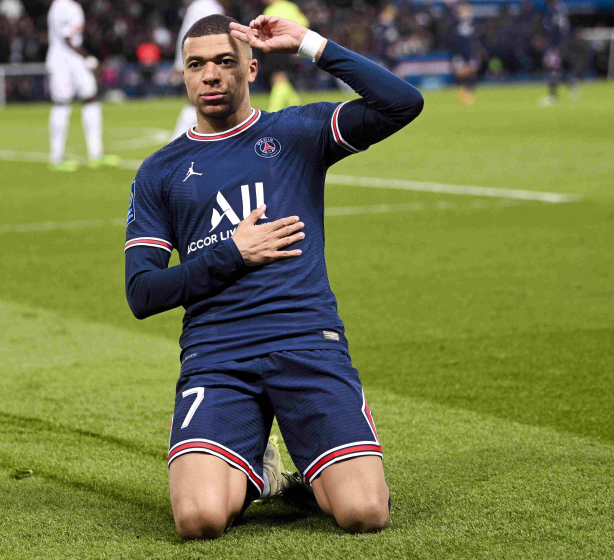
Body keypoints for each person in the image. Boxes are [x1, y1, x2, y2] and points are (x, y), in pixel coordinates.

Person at [123, 13, 423, 538]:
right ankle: (260, 472)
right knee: (198, 519)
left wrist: (309, 44)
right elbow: (142, 293)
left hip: (307, 342)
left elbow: (402, 103)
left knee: (364, 513)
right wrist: (234, 253)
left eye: (224, 61)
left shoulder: (297, 132)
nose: (210, 75)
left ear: (251, 68)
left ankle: (317, 465)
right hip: (217, 355)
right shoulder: (160, 171)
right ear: (183, 74)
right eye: (196, 65)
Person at [45, 0, 119, 171]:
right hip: (62, 61)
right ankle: (56, 158)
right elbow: (67, 38)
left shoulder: (67, 6)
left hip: (72, 59)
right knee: (62, 103)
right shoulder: (65, 6)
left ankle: (96, 154)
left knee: (91, 97)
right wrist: (88, 58)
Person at [171, 0, 227, 140]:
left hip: (197, 59)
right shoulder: (208, 7)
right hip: (205, 59)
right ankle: (178, 139)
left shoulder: (199, 5)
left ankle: (179, 139)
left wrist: (179, 62)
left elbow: (184, 34)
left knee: (201, 101)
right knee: (204, 100)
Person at [261, 0, 309, 111]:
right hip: (285, 47)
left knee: (278, 79)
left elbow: (266, 32)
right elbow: (304, 23)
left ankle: (273, 110)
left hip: (275, 47)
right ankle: (297, 105)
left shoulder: (270, 10)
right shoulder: (290, 6)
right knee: (281, 80)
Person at [540, 0, 571, 106]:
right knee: (554, 69)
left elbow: (561, 29)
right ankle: (570, 84)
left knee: (553, 69)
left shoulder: (557, 10)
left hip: (555, 45)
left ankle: (553, 96)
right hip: (552, 45)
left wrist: (560, 46)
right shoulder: (553, 9)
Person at [449, 2, 479, 106]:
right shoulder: (454, 26)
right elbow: (452, 41)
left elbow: (476, 40)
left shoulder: (474, 26)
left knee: (471, 71)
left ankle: (468, 92)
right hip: (459, 54)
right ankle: (463, 92)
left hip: (471, 54)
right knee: (461, 73)